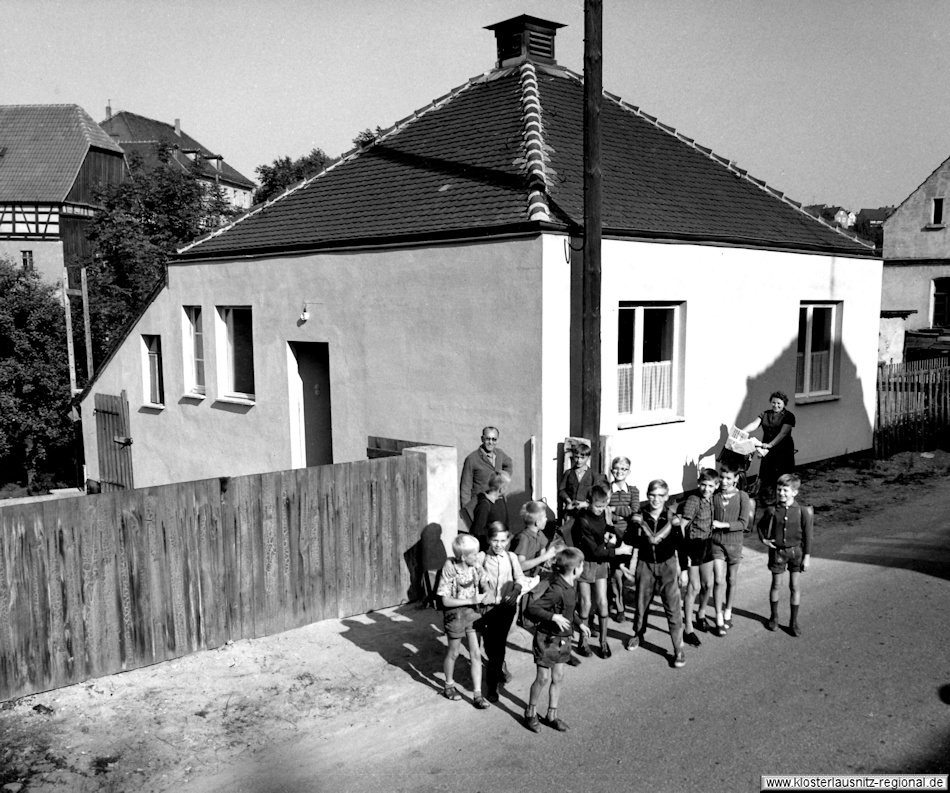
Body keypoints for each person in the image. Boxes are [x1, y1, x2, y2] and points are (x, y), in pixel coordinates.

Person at [621, 479, 689, 668]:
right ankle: (638, 635)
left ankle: (678, 648)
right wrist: (626, 565)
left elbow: (681, 547)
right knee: (641, 604)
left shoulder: (673, 518)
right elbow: (629, 541)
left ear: (667, 497)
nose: (656, 499)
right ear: (647, 495)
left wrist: (683, 571)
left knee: (673, 607)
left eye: (660, 496)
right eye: (652, 495)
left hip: (668, 566)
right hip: (645, 565)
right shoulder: (639, 517)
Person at [523, 547, 588, 733]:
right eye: (582, 566)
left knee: (558, 677)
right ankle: (530, 712)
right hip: (547, 639)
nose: (583, 569)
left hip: (563, 639)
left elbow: (569, 609)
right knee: (543, 678)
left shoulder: (570, 586)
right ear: (575, 569)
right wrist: (553, 618)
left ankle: (552, 715)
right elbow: (532, 609)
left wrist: (580, 624)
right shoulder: (557, 589)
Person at [572, 484, 633, 658]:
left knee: (603, 602)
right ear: (588, 502)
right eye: (598, 506)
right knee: (585, 603)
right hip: (586, 563)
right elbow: (594, 550)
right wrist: (617, 551)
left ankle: (603, 642)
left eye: (604, 506)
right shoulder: (582, 520)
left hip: (600, 564)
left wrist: (619, 536)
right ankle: (583, 641)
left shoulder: (601, 515)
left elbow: (606, 528)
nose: (601, 509)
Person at [475, 523, 527, 702]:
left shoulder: (511, 557)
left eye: (503, 540)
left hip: (506, 606)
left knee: (498, 645)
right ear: (488, 539)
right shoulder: (482, 557)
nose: (499, 544)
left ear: (508, 540)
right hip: (488, 608)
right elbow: (477, 578)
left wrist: (515, 591)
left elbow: (520, 578)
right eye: (495, 540)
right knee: (490, 646)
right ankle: (500, 667)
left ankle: (492, 686)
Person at [437, 533, 490, 708]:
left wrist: (487, 592)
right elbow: (445, 601)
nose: (477, 556)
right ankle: (449, 685)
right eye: (474, 554)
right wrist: (472, 600)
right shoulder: (450, 569)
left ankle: (477, 694)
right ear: (462, 556)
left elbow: (485, 583)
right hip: (455, 615)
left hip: (474, 613)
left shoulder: (476, 565)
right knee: (454, 652)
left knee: (475, 653)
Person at [757, 473, 813, 637]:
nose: (781, 493)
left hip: (796, 553)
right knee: (776, 585)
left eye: (785, 490)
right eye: (779, 489)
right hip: (778, 553)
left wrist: (807, 556)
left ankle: (793, 622)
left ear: (794, 492)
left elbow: (808, 536)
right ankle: (774, 616)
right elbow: (760, 526)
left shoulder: (803, 512)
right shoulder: (772, 510)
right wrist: (765, 541)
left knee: (795, 587)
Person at [710, 461, 754, 637]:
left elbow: (744, 523)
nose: (724, 481)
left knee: (731, 579)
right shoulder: (715, 495)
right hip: (716, 543)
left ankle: (728, 611)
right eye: (722, 477)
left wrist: (722, 524)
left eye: (728, 478)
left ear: (736, 478)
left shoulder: (742, 496)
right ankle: (719, 618)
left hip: (735, 544)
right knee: (719, 580)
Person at [678, 468, 719, 646]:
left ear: (716, 486)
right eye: (703, 484)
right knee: (693, 588)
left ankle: (700, 614)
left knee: (708, 584)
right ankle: (688, 628)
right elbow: (681, 526)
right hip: (693, 545)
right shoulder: (693, 501)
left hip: (707, 544)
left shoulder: (711, 499)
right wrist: (683, 551)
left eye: (710, 485)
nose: (706, 488)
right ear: (698, 483)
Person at [742, 391, 796, 505]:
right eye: (773, 403)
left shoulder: (789, 416)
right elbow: (754, 424)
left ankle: (784, 500)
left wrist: (771, 444)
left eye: (779, 403)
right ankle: (766, 499)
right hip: (767, 449)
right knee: (766, 474)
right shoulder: (765, 414)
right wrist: (741, 432)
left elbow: (783, 433)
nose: (776, 405)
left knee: (782, 476)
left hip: (783, 450)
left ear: (784, 404)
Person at [607, 456, 639, 622]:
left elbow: (635, 512)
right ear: (612, 470)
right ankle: (620, 607)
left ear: (629, 471)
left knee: (629, 572)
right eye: (616, 469)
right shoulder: (607, 489)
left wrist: (614, 509)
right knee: (616, 574)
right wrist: (618, 511)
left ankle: (622, 597)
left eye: (624, 469)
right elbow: (605, 513)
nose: (619, 472)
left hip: (629, 537)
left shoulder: (633, 490)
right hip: (612, 536)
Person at [459, 427, 513, 516]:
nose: (490, 442)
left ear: (497, 440)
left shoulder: (499, 454)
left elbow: (509, 464)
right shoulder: (472, 459)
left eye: (494, 439)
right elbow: (465, 486)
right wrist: (466, 511)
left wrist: (503, 480)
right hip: (480, 505)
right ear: (482, 439)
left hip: (498, 502)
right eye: (487, 439)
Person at [557, 443, 608, 527]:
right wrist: (569, 500)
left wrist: (586, 503)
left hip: (587, 512)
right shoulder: (568, 473)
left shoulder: (593, 474)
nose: (579, 460)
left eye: (582, 458)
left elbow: (597, 493)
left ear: (588, 457)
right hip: (571, 512)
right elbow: (562, 490)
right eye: (576, 457)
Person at [469, 471, 510, 551]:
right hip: (488, 548)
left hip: (500, 547)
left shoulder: (501, 501)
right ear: (501, 488)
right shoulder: (484, 505)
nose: (507, 489)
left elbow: (506, 523)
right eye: (507, 486)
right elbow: (478, 531)